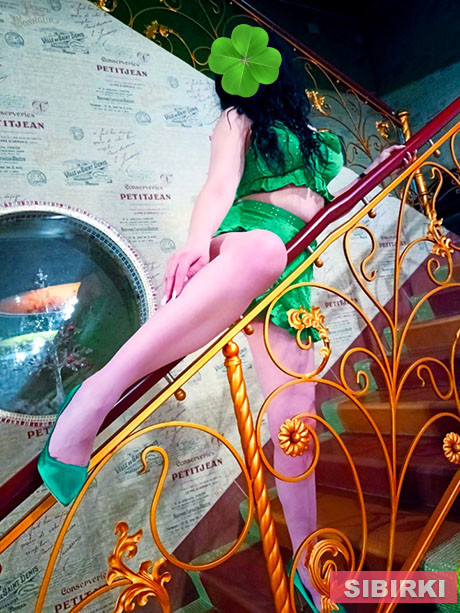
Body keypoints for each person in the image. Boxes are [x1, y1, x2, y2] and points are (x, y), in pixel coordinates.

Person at [38, 31, 412, 611]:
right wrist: (195, 242)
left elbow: (328, 208)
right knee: (264, 250)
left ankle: (310, 568)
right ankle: (91, 401)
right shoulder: (239, 120)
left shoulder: (317, 143)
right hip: (249, 239)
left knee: (296, 420)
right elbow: (219, 184)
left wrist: (379, 173)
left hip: (295, 267)